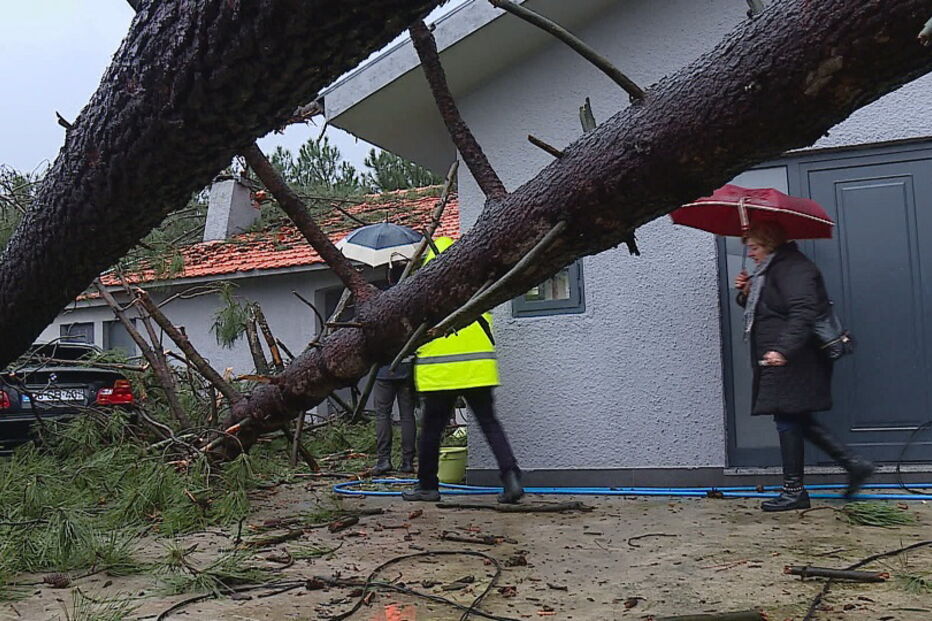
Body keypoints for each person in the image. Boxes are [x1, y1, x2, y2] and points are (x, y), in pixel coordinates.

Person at [735, 221, 874, 512]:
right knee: (796, 419)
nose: (751, 254)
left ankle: (795, 491)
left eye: (755, 247)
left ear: (771, 243)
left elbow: (803, 312)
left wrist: (782, 349)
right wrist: (746, 293)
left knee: (788, 418)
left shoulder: (795, 268)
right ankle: (853, 465)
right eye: (749, 247)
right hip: (783, 357)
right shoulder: (772, 269)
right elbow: (770, 307)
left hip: (796, 357)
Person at [401, 237, 524, 504]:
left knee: (432, 431)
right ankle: (512, 479)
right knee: (490, 424)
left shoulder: (424, 289)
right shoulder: (477, 285)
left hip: (439, 371)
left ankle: (427, 487)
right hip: (479, 367)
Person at [371, 260, 417, 475]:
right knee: (407, 415)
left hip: (384, 367)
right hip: (407, 366)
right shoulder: (414, 300)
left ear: (389, 277)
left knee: (382, 414)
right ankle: (408, 462)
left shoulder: (381, 301)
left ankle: (383, 460)